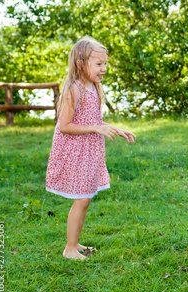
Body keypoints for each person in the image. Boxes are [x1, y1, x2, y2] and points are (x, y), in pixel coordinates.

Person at [46, 36, 136, 260]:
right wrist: (96, 128)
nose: (104, 68)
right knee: (82, 199)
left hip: (89, 151)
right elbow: (64, 126)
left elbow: (93, 119)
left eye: (105, 63)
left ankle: (74, 244)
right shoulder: (73, 89)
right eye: (98, 64)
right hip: (75, 152)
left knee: (85, 199)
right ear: (80, 64)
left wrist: (117, 129)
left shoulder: (94, 87)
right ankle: (69, 248)